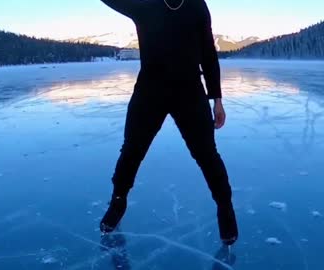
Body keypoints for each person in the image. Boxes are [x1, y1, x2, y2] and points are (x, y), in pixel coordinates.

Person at [99, 0, 238, 246]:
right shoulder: (145, 4)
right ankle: (118, 201)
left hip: (190, 91)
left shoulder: (196, 5)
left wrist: (217, 98)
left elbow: (207, 51)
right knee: (132, 150)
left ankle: (225, 207)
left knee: (207, 154)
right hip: (150, 90)